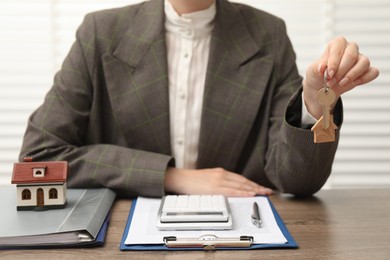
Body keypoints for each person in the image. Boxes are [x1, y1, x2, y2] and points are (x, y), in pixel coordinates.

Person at [19, 0, 379, 198]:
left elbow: (298, 182)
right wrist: (172, 177)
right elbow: (39, 157)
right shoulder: (100, 33)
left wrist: (315, 102)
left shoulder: (268, 34)